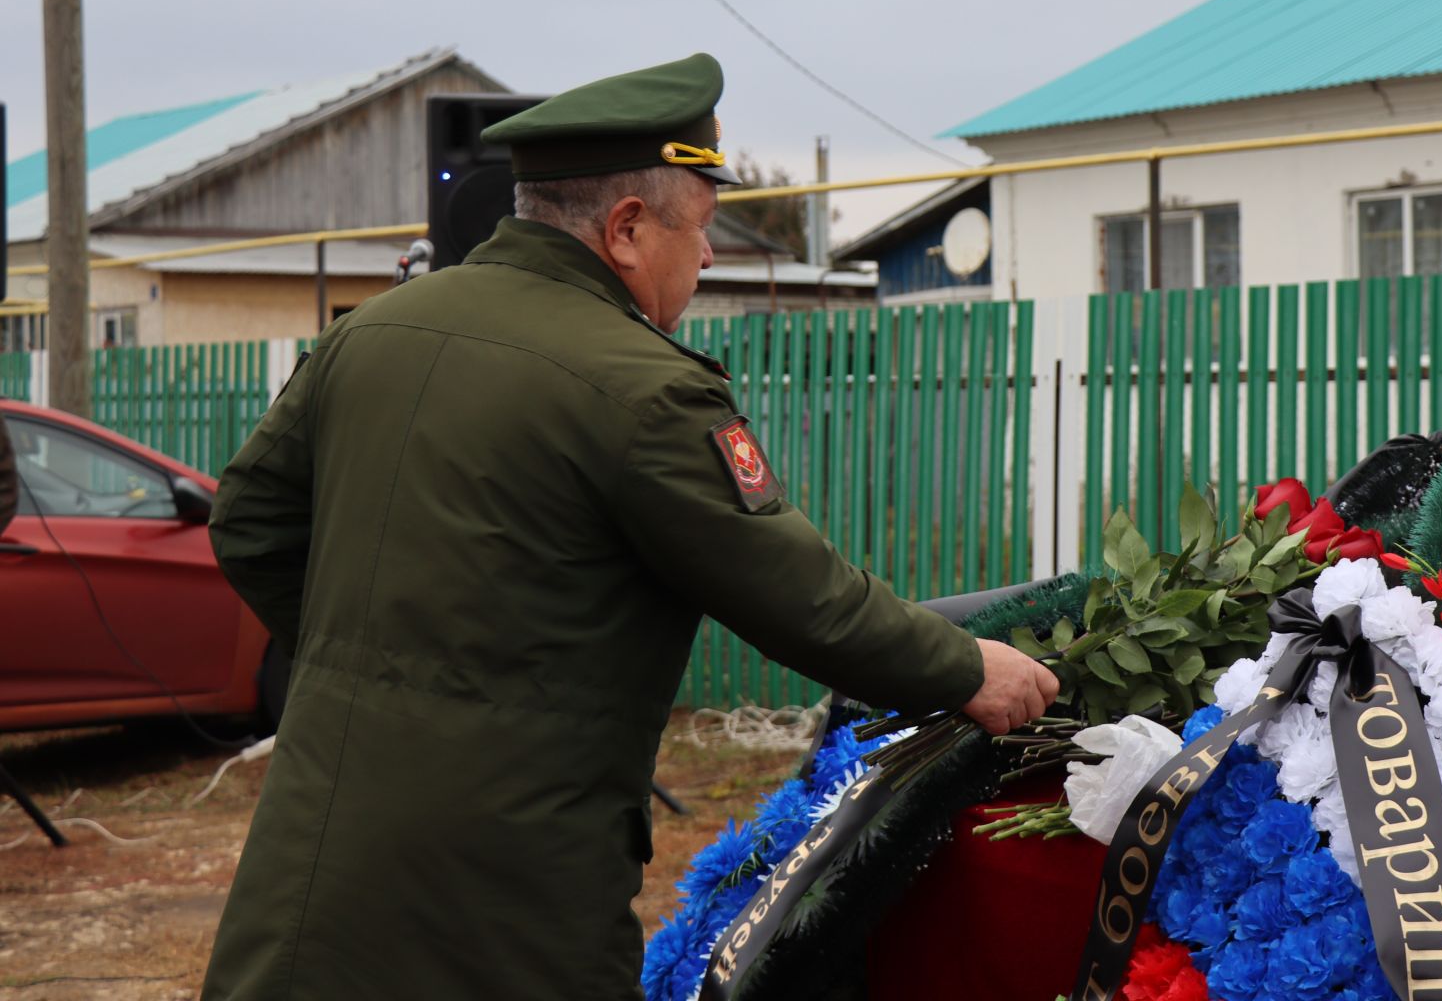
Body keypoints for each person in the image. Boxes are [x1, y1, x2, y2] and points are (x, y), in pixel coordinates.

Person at [199, 52, 1057, 1000]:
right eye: (702, 228)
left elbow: (248, 525)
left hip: (311, 862)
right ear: (625, 228)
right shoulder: (642, 387)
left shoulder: (375, 330)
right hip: (507, 890)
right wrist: (973, 668)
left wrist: (366, 661)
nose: (709, 255)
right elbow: (802, 599)